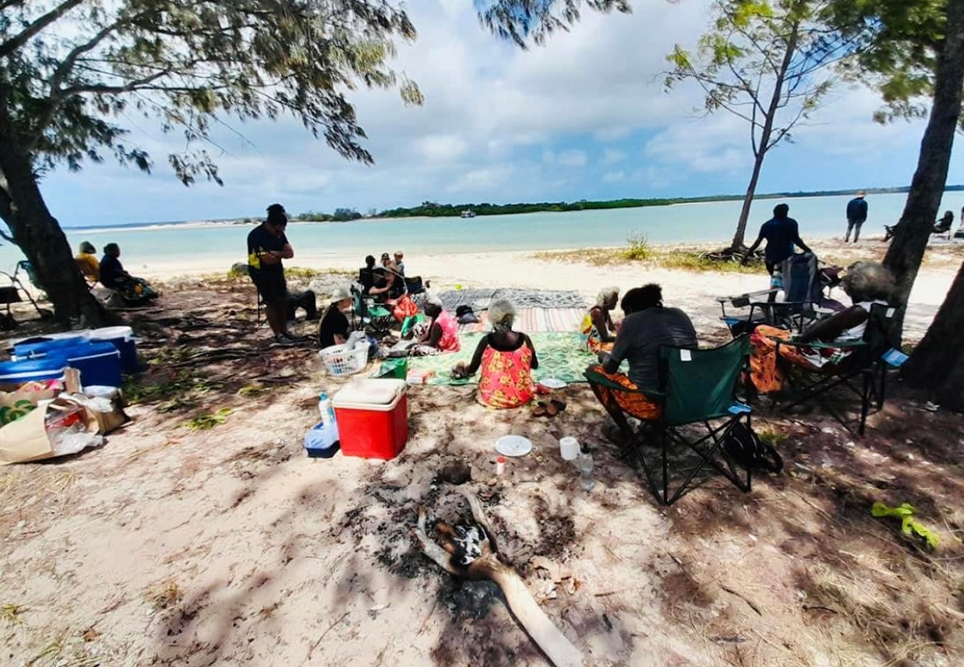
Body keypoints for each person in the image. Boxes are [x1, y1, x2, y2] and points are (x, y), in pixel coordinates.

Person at [749, 261, 894, 394]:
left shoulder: (857, 311)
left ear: (856, 289)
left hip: (831, 360)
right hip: (858, 356)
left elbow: (809, 335)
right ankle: (777, 381)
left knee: (761, 336)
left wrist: (821, 323)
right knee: (766, 330)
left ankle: (765, 387)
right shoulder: (881, 306)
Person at [587, 284, 698, 420]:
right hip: (686, 397)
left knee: (593, 370)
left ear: (631, 309)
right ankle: (656, 429)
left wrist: (604, 356)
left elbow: (610, 368)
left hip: (650, 401)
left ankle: (627, 434)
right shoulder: (680, 314)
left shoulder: (631, 321)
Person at [452, 299, 539, 408]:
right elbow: (535, 365)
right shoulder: (525, 339)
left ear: (493, 320)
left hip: (492, 397)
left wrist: (463, 368)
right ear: (512, 318)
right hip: (523, 396)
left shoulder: (486, 341)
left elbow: (472, 369)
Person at [247, 203, 298, 344]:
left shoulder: (280, 233)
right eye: (277, 231)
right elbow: (267, 260)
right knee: (271, 302)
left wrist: (277, 254)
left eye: (282, 231)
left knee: (282, 301)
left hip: (277, 271)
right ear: (270, 225)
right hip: (261, 273)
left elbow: (290, 253)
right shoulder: (256, 236)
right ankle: (278, 335)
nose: (279, 233)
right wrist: (281, 255)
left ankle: (284, 331)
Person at [742, 203, 813, 278]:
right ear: (786, 212)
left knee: (773, 276)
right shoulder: (791, 223)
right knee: (788, 277)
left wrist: (748, 254)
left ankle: (774, 285)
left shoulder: (766, 225)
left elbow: (758, 242)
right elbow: (796, 240)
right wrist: (808, 250)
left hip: (770, 256)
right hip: (787, 255)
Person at [580, 286, 619, 353]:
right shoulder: (597, 313)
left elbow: (612, 329)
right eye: (614, 300)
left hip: (599, 340)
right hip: (591, 345)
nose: (617, 301)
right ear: (607, 301)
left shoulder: (605, 310)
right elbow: (605, 338)